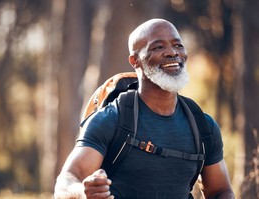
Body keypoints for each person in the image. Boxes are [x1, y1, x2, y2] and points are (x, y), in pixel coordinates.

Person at [54, 18, 235, 199]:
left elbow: (220, 191)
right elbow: (65, 183)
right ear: (135, 61)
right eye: (158, 47)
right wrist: (82, 192)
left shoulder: (203, 126)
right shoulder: (110, 119)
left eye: (178, 45)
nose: (172, 53)